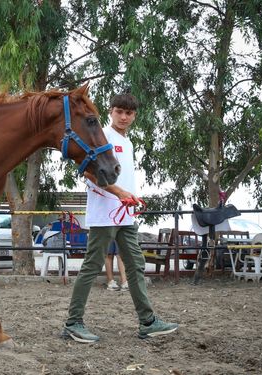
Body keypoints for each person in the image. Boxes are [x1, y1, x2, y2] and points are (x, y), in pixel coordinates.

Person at [62, 92, 179, 343]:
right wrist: (120, 193)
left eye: (129, 113)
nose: (124, 117)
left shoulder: (129, 143)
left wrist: (131, 198)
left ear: (134, 115)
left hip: (125, 215)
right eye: (119, 111)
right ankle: (73, 323)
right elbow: (90, 174)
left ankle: (147, 322)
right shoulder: (102, 136)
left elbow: (123, 178)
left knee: (136, 265)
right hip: (104, 215)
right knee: (92, 267)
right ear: (110, 111)